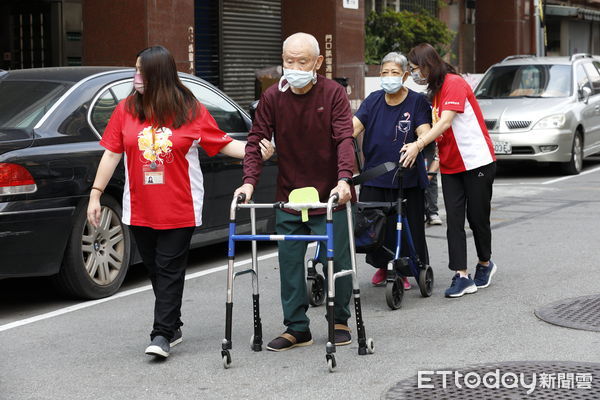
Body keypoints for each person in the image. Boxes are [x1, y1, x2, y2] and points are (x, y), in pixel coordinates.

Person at [87, 46, 273, 359]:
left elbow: (223, 143)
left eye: (141, 72)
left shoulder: (190, 109)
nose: (135, 77)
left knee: (169, 267)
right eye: (135, 70)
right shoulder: (126, 110)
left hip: (180, 205)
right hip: (140, 207)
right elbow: (111, 153)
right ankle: (173, 325)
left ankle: (161, 334)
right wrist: (95, 193)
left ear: (158, 75)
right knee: (156, 270)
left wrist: (256, 151)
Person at [234, 32, 356, 351]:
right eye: (289, 61)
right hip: (288, 196)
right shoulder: (273, 97)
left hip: (330, 194)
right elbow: (255, 142)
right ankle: (297, 327)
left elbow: (345, 138)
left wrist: (345, 179)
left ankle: (339, 319)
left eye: (302, 61)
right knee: (289, 263)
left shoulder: (333, 93)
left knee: (336, 260)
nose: (294, 67)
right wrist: (249, 182)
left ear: (318, 62)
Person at [401, 43, 497, 298]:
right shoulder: (434, 93)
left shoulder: (454, 83)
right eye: (410, 71)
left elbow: (445, 122)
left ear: (428, 65)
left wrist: (418, 145)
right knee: (454, 220)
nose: (414, 75)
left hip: (477, 162)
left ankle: (485, 263)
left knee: (477, 218)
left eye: (415, 69)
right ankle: (461, 275)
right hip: (452, 165)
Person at [353, 51, 431, 290]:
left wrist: (417, 145)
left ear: (405, 75)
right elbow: (351, 128)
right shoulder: (373, 100)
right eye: (385, 72)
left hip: (404, 177)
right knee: (375, 227)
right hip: (374, 176)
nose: (389, 77)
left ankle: (405, 269)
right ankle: (382, 265)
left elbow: (425, 131)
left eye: (394, 73)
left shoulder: (416, 101)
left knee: (407, 225)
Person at [423, 142, 442, 225]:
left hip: (429, 139)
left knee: (431, 175)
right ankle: (420, 211)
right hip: (412, 138)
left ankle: (432, 212)